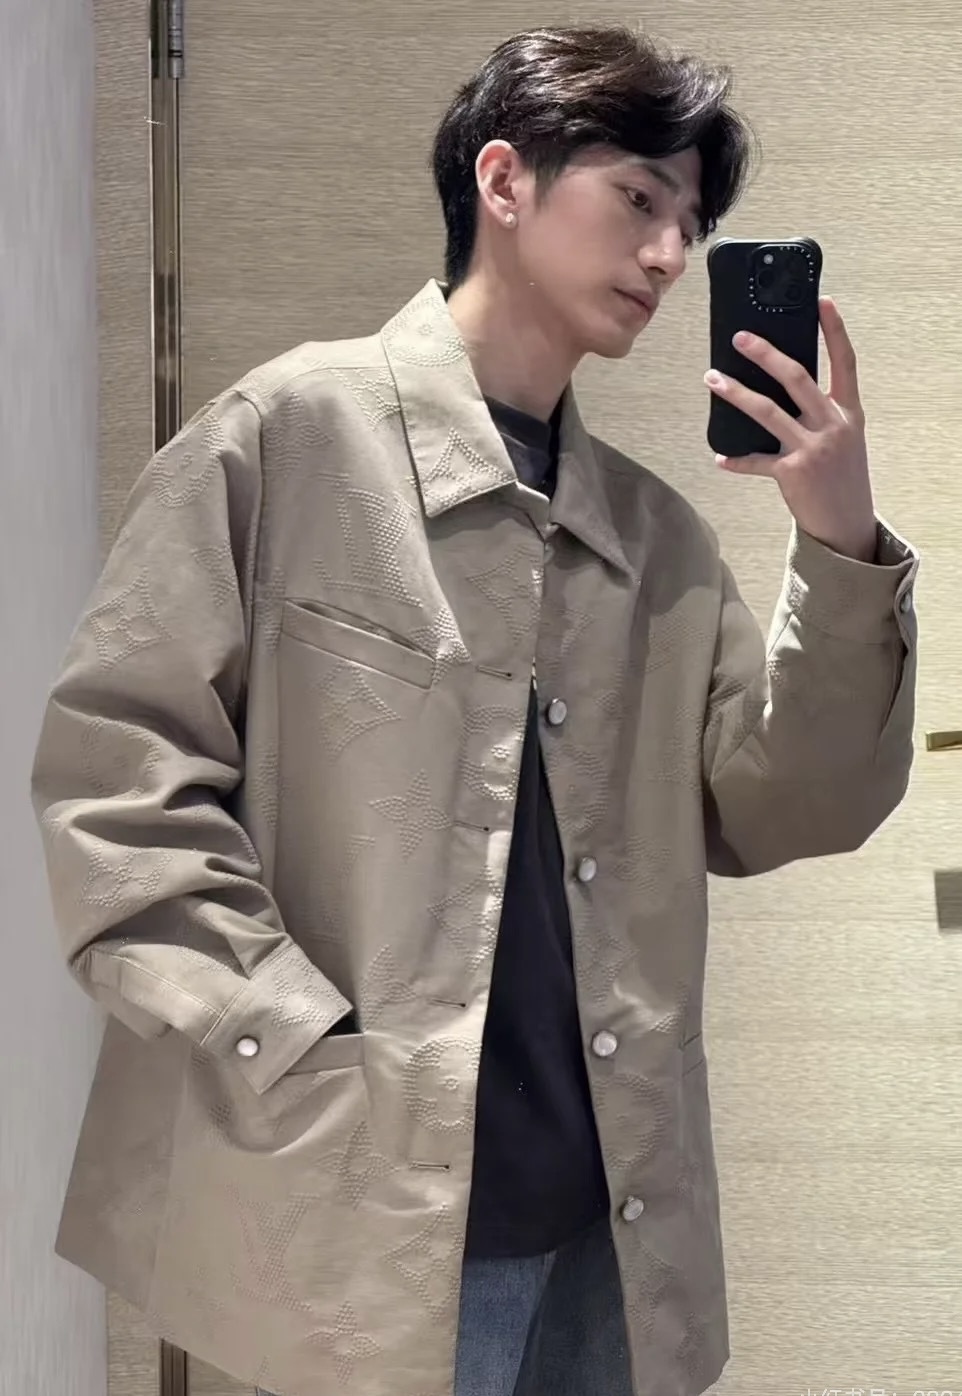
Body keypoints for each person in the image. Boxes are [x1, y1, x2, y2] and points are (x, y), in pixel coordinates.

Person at [31, 22, 918, 1396]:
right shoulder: (286, 438)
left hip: (610, 1222)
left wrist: (838, 540)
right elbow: (116, 782)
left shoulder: (656, 541)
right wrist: (287, 1037)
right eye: (639, 197)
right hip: (355, 1215)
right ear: (503, 181)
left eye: (690, 226)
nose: (668, 255)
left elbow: (789, 806)